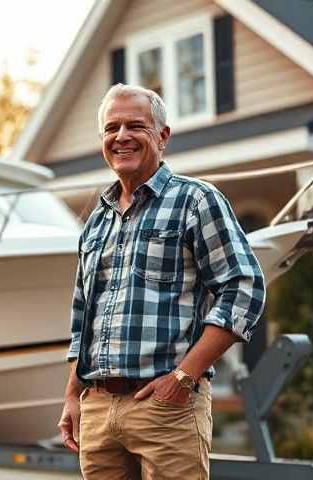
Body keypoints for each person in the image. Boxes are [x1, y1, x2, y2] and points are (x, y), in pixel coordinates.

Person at [57, 84, 266, 480]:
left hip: (167, 408)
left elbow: (244, 288)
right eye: (111, 128)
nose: (121, 137)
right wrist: (72, 395)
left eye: (135, 125)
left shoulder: (196, 201)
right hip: (98, 407)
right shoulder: (96, 220)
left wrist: (183, 378)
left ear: (163, 136)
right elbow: (84, 316)